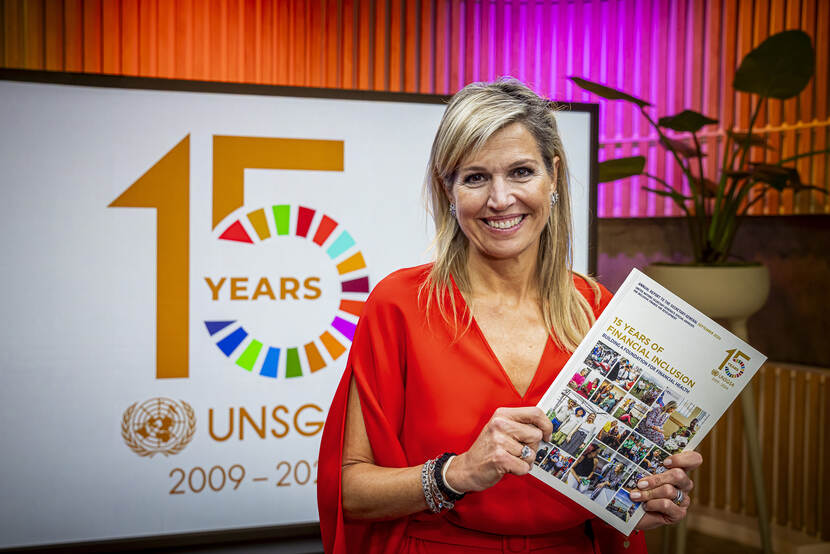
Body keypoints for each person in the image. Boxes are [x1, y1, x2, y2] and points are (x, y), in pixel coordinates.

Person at [318, 78, 700, 554]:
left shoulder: (598, 308)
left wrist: (642, 499)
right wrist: (457, 472)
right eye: (475, 177)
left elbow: (614, 490)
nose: (500, 199)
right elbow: (348, 492)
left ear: (553, 175)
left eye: (521, 172)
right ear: (449, 190)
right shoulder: (399, 304)